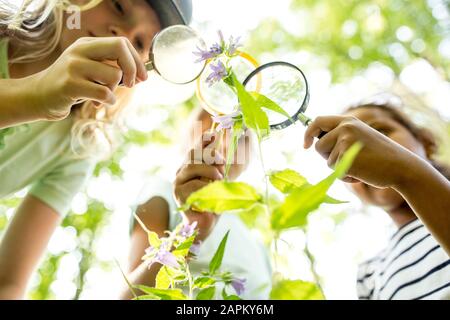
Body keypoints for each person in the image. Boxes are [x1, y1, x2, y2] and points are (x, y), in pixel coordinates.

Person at [0, 0, 192, 299]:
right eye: (118, 6)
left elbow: (8, 282)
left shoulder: (77, 146)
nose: (123, 34)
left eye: (140, 42)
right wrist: (36, 94)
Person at [303, 99, 450, 299]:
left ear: (425, 142)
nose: (360, 153)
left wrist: (405, 172)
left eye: (380, 133)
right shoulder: (368, 275)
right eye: (342, 156)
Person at [123, 108, 272, 300]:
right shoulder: (165, 192)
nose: (226, 143)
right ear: (187, 143)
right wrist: (191, 232)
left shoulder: (254, 239)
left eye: (240, 136)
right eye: (211, 130)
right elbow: (130, 295)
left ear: (249, 157)